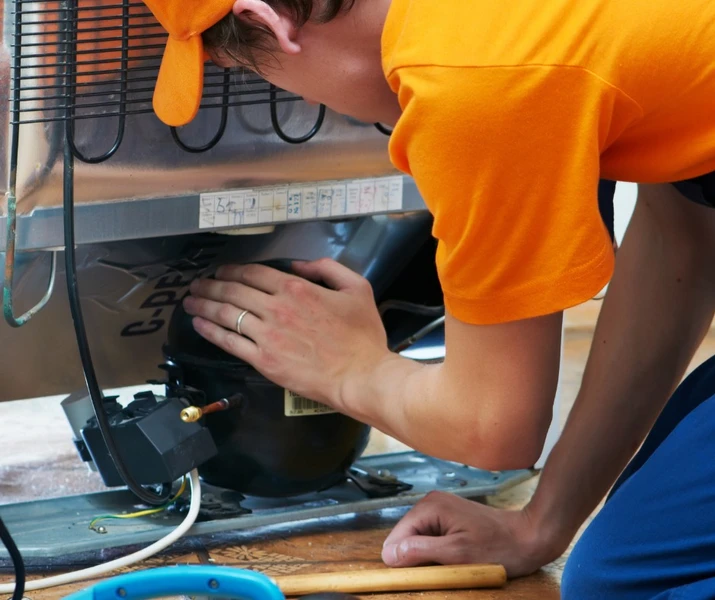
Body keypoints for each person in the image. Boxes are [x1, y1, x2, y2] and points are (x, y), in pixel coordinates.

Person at [141, 1, 715, 597]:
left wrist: (352, 370)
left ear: (272, 23)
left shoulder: (470, 79)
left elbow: (492, 426)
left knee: (639, 585)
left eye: (253, 73)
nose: (303, 104)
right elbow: (685, 238)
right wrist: (543, 523)